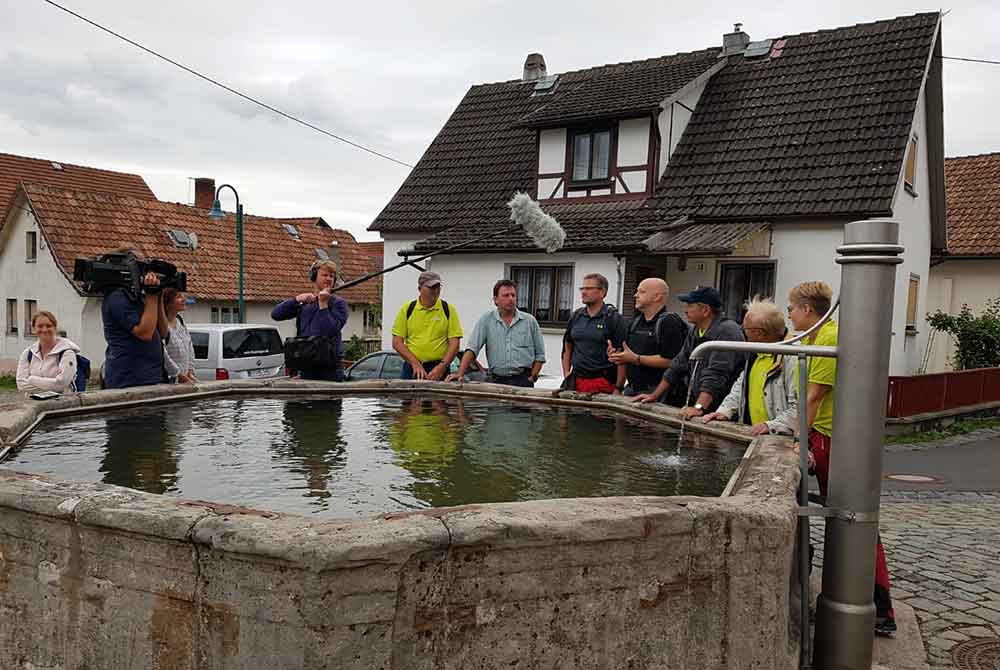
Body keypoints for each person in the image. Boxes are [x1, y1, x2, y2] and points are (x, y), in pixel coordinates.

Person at [787, 280, 897, 636]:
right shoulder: (821, 335)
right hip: (834, 437)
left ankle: (879, 608)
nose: (788, 314)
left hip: (837, 441)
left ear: (807, 310)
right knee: (848, 521)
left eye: (791, 307)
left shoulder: (827, 337)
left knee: (854, 522)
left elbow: (814, 397)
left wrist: (798, 441)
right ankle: (865, 604)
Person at [633, 286, 744, 418]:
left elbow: (717, 373)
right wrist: (654, 395)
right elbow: (678, 365)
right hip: (704, 402)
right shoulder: (695, 330)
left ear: (705, 310)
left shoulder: (727, 331)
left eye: (690, 305)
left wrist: (699, 407)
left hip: (721, 408)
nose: (685, 310)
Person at [700, 298, 797, 435]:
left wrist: (771, 426)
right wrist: (724, 411)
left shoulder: (793, 358)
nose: (743, 332)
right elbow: (740, 387)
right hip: (755, 435)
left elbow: (800, 407)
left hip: (778, 440)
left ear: (759, 333)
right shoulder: (755, 353)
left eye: (745, 329)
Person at [447, 279, 546, 387]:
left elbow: (540, 355)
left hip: (523, 380)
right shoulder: (486, 320)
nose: (511, 299)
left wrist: (533, 376)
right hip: (496, 381)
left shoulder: (529, 321)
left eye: (513, 295)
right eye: (506, 295)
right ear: (495, 299)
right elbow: (472, 348)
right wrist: (460, 373)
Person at [608, 278, 688, 401]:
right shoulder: (635, 322)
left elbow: (672, 361)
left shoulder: (669, 322)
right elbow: (626, 356)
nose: (635, 295)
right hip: (632, 389)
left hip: (660, 393)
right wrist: (617, 356)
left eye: (642, 292)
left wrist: (636, 359)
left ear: (657, 297)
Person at [272, 260, 349, 381]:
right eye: (324, 275)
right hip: (305, 368)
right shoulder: (305, 303)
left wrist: (323, 304)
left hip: (329, 371)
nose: (329, 279)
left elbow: (329, 331)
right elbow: (276, 314)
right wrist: (296, 300)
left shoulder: (338, 304)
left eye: (331, 276)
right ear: (314, 277)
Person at [102, 254, 169, 389]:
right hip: (128, 379)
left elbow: (163, 332)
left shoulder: (139, 296)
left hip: (151, 376)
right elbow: (144, 333)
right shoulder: (117, 297)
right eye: (140, 266)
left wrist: (158, 296)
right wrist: (151, 295)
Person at [561, 273, 627, 394]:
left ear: (603, 292)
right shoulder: (576, 316)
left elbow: (622, 356)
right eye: (582, 288)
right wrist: (566, 374)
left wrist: (618, 388)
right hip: (575, 382)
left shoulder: (614, 319)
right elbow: (567, 346)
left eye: (589, 288)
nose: (584, 292)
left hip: (603, 383)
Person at [392, 271, 463, 380]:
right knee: (409, 397)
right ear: (419, 289)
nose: (435, 290)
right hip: (412, 367)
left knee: (439, 397)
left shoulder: (448, 309)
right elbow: (397, 342)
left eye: (438, 287)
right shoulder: (407, 310)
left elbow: (455, 344)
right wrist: (415, 363)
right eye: (431, 287)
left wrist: (442, 367)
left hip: (439, 367)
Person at [16, 311, 82, 394]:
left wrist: (32, 379)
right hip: (34, 404)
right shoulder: (28, 354)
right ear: (34, 328)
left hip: (61, 405)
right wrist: (53, 388)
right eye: (40, 326)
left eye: (48, 326)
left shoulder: (67, 353)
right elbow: (21, 385)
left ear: (55, 327)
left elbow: (61, 385)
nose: (44, 329)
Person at [161, 288, 197, 384]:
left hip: (186, 379)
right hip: (170, 381)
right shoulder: (162, 326)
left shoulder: (180, 321)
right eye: (178, 297)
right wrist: (178, 374)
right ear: (168, 302)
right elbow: (163, 354)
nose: (184, 299)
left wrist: (190, 370)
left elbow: (189, 347)